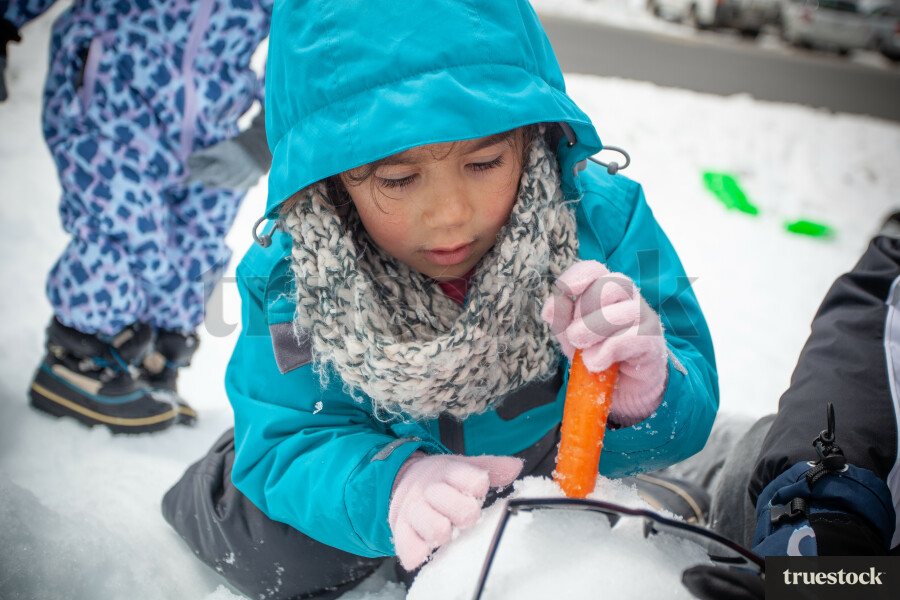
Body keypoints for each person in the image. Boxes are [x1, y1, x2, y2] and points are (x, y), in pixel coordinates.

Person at [160, 1, 719, 597]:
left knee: (574, 523)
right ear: (330, 181)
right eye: (398, 180)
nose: (451, 214)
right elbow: (290, 437)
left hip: (528, 464)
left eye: (484, 162)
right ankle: (226, 487)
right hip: (356, 459)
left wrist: (647, 395)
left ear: (532, 135)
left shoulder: (609, 222)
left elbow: (689, 382)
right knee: (287, 557)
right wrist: (395, 485)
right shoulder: (292, 279)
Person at [1, 1, 273, 433]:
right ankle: (80, 357)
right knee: (121, 222)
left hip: (216, 113)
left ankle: (153, 357)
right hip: (115, 88)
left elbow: (311, 31)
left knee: (199, 239)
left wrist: (263, 136)